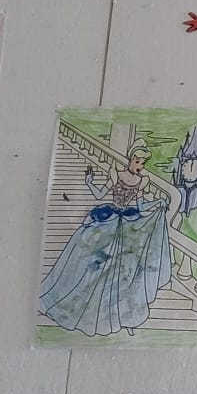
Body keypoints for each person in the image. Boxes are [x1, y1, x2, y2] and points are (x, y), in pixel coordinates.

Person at [37, 138, 174, 338]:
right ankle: (76, 307)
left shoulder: (142, 181)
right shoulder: (116, 173)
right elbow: (101, 195)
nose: (140, 166)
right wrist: (89, 183)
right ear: (131, 159)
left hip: (126, 224)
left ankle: (122, 316)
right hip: (107, 220)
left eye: (143, 163)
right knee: (91, 264)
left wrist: (158, 202)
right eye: (138, 161)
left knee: (123, 269)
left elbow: (141, 205)